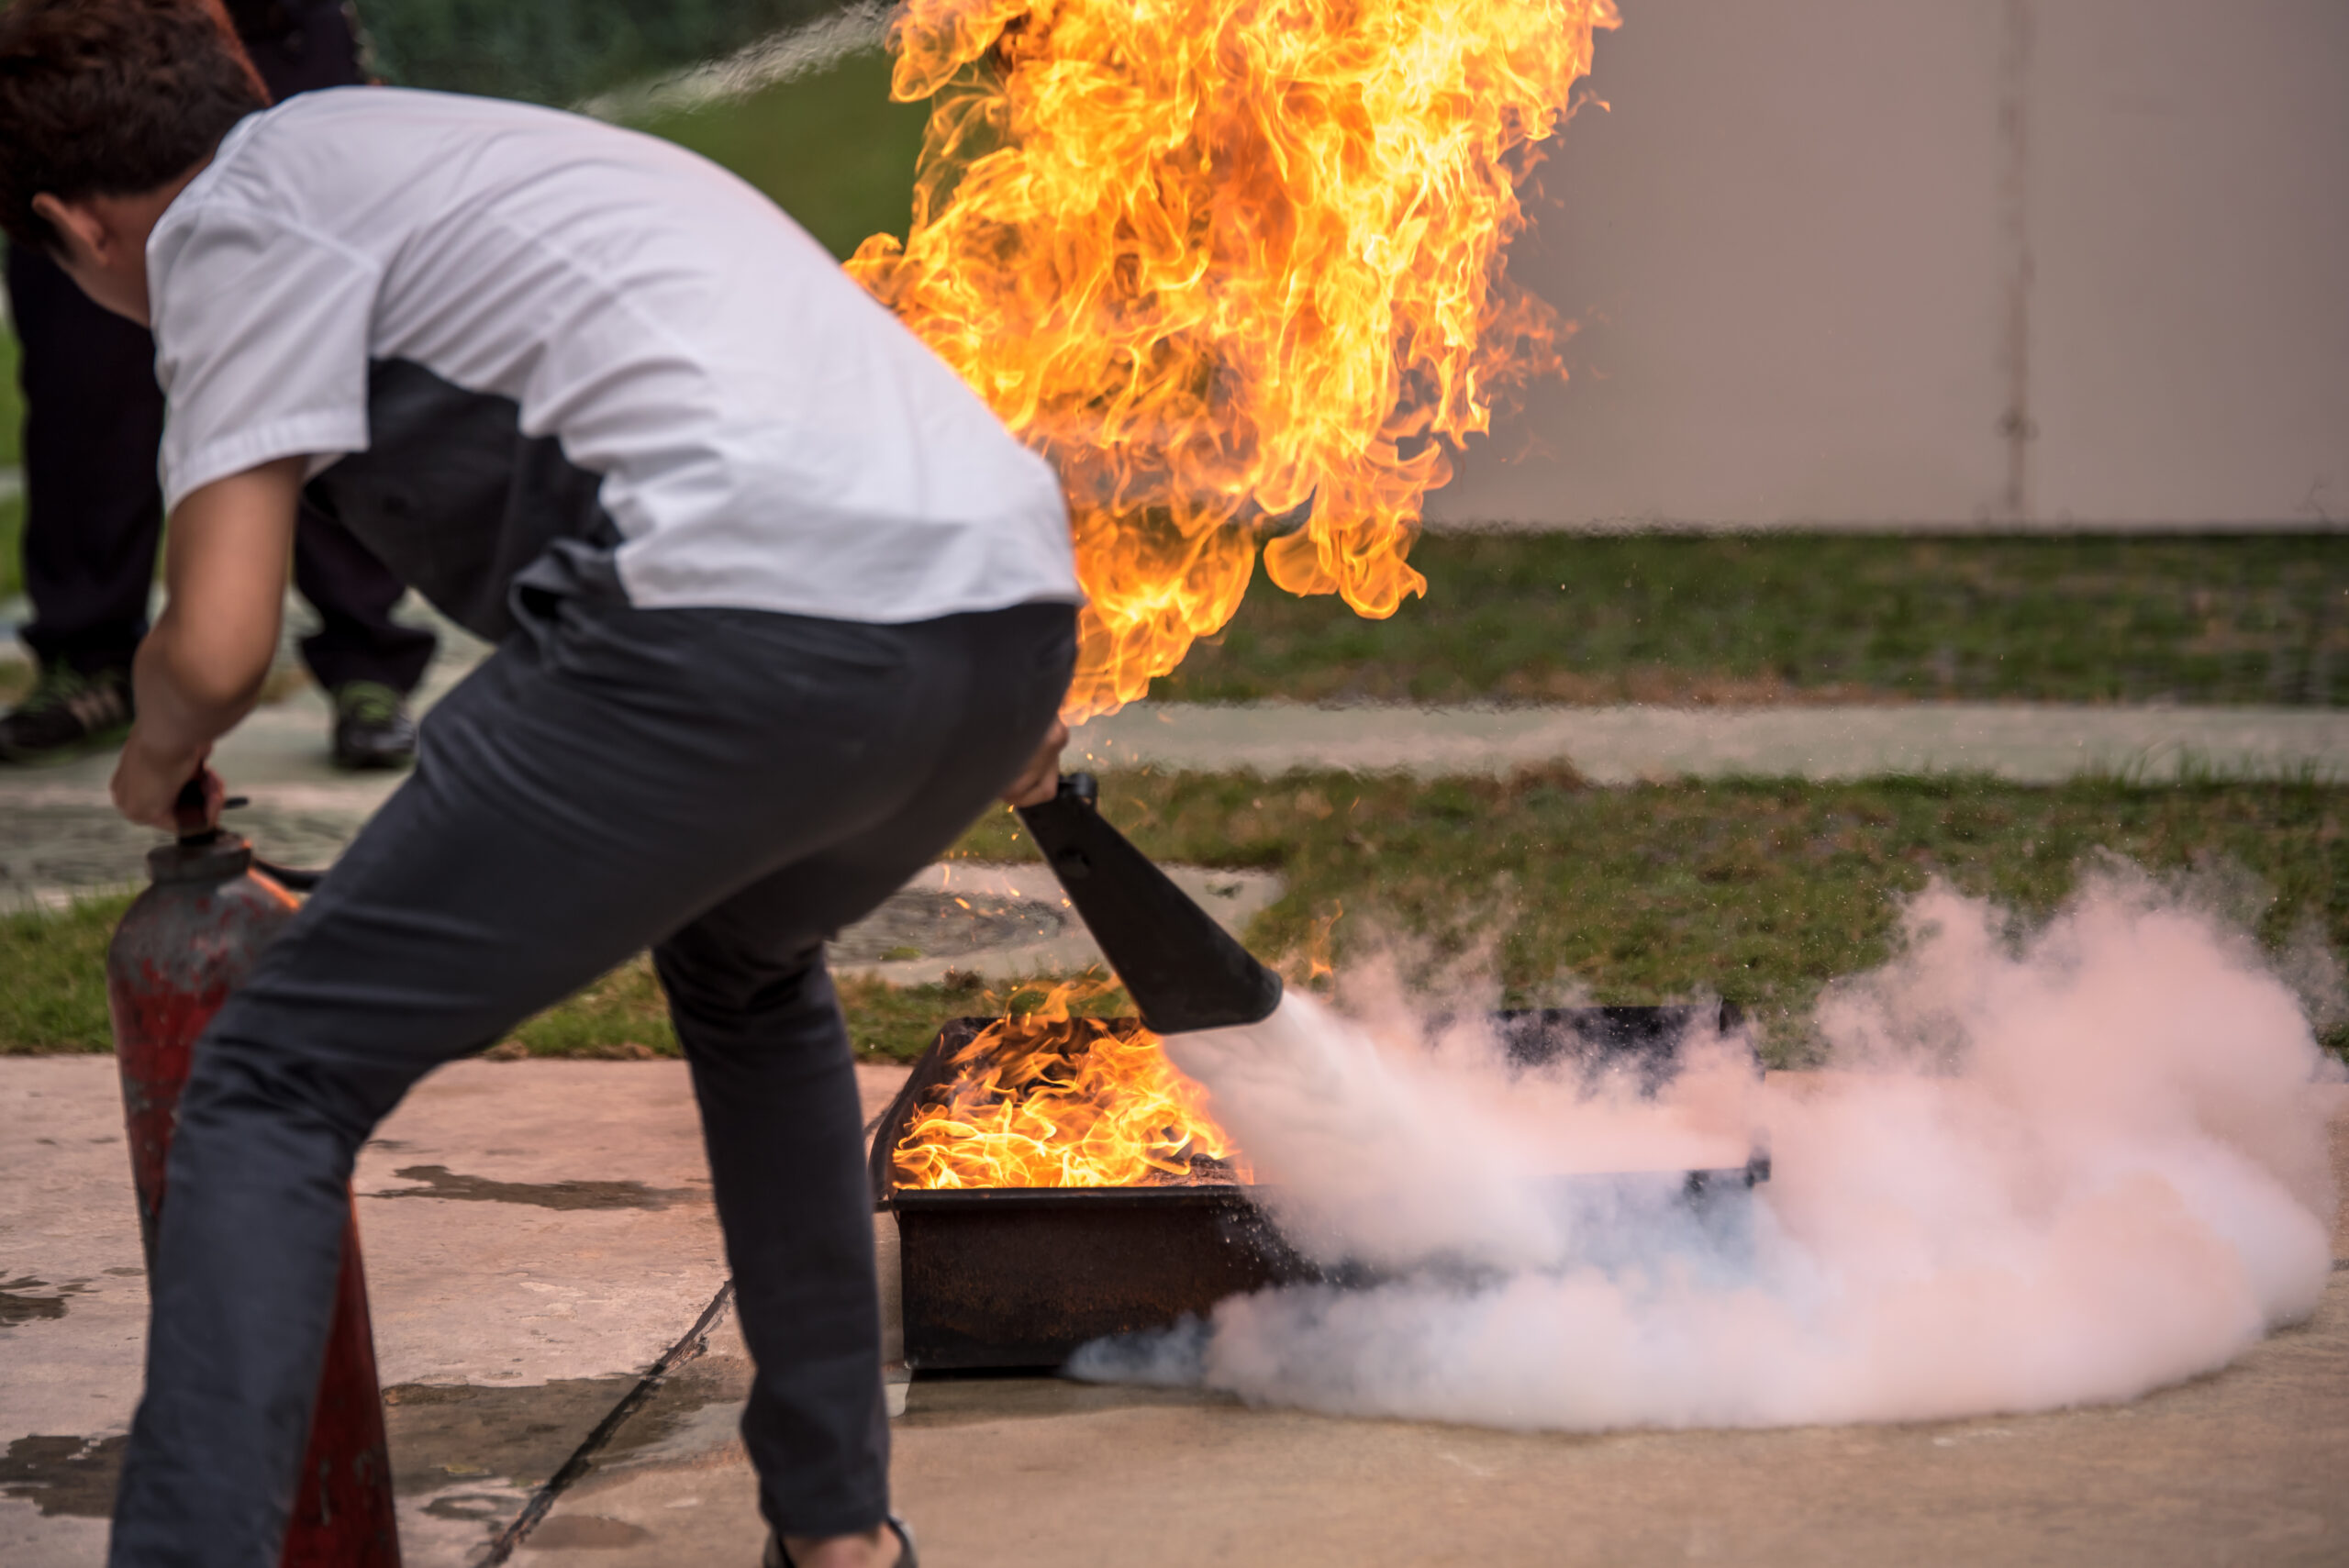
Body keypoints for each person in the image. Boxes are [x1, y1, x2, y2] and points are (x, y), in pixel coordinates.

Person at [0, 1, 1083, 1563]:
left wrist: (156, 756)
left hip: (722, 622)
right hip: (1005, 614)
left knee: (271, 1081)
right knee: (747, 969)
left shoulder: (227, 220)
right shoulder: (448, 144)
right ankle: (839, 1531)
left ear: (69, 223)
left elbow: (219, 643)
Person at [0, 0, 433, 770]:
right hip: (82, 63)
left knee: (315, 347)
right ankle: (91, 657)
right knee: (82, 383)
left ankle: (367, 655)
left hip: (264, 49)